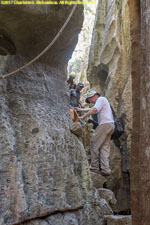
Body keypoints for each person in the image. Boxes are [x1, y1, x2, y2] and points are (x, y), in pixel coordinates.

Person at [75, 90, 114, 176]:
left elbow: (94, 109)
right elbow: (92, 109)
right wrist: (80, 109)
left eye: (90, 99)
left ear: (95, 95)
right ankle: (106, 169)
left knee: (94, 142)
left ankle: (94, 168)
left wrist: (83, 116)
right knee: (104, 147)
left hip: (104, 125)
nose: (91, 102)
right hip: (110, 125)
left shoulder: (101, 99)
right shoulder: (102, 101)